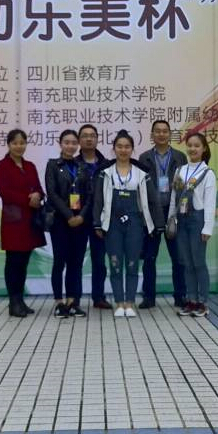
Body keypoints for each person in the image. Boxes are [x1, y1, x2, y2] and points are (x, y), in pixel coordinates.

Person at [93, 130, 161, 317]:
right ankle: (119, 303)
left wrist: (157, 224)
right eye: (119, 146)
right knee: (115, 264)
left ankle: (130, 302)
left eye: (127, 147)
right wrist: (97, 223)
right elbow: (98, 200)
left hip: (135, 225)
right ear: (114, 149)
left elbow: (153, 201)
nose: (123, 150)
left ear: (132, 149)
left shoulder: (141, 174)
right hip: (112, 225)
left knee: (132, 264)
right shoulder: (105, 173)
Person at [0, 129, 46, 318]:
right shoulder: (2, 166)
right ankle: (13, 301)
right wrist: (27, 199)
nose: (19, 146)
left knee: (24, 262)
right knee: (13, 261)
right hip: (13, 221)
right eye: (15, 143)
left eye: (22, 143)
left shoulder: (30, 166)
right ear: (8, 144)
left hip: (30, 221)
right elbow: (4, 192)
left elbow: (39, 188)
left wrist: (38, 195)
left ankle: (20, 300)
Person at [137, 120, 188, 309]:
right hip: (152, 212)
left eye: (165, 131)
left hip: (173, 211)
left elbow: (186, 186)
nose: (161, 134)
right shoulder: (144, 158)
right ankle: (148, 297)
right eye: (157, 131)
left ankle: (180, 296)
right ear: (152, 134)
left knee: (178, 258)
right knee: (150, 257)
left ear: (169, 134)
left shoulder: (180, 157)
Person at [169, 132, 217, 318]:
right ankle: (191, 301)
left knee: (198, 263)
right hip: (182, 220)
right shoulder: (180, 171)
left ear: (204, 148)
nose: (192, 149)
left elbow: (210, 203)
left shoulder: (208, 173)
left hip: (198, 221)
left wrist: (207, 228)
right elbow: (174, 197)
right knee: (186, 263)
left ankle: (203, 303)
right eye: (189, 145)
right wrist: (171, 219)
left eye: (197, 145)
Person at [44, 129, 90, 318]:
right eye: (67, 142)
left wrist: (81, 216)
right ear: (60, 144)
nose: (70, 146)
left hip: (80, 222)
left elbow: (90, 195)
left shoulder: (82, 166)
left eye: (73, 143)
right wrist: (69, 215)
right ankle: (59, 302)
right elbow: (52, 193)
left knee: (76, 263)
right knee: (59, 262)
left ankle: (72, 301)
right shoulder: (53, 165)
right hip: (60, 221)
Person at [76, 124, 112, 310]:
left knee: (99, 261)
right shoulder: (73, 164)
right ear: (79, 140)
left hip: (100, 219)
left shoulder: (106, 164)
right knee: (76, 260)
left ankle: (99, 297)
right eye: (85, 136)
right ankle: (75, 298)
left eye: (92, 136)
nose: (89, 139)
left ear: (98, 139)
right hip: (79, 218)